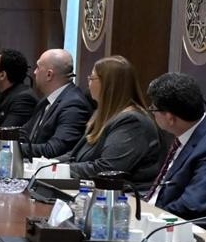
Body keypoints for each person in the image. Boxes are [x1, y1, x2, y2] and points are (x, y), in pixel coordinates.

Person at [145, 73, 206, 238]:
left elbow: (192, 206)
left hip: (190, 235)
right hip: (159, 219)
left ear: (170, 117)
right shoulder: (187, 132)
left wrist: (147, 219)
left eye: (153, 109)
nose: (152, 112)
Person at [64, 56, 168, 190]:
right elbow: (74, 156)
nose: (88, 83)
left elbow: (108, 169)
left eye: (92, 78)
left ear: (108, 85)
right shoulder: (104, 115)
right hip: (94, 190)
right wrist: (48, 164)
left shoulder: (132, 122)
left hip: (126, 197)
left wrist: (62, 169)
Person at [19, 49, 92, 159]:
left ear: (49, 74)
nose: (34, 72)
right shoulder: (46, 100)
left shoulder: (74, 105)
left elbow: (53, 149)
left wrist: (14, 148)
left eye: (38, 67)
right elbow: (24, 133)